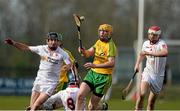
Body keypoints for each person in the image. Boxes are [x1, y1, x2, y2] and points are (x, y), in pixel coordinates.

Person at [4, 32, 72, 110]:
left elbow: (70, 64)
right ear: (47, 41)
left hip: (51, 83)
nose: (53, 42)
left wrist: (67, 66)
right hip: (39, 81)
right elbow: (26, 48)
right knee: (32, 106)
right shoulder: (41, 48)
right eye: (51, 40)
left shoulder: (62, 53)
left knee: (36, 105)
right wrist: (14, 43)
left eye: (56, 40)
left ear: (58, 42)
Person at [75, 24, 117, 110]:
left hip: (103, 78)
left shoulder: (110, 46)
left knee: (91, 107)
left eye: (105, 31)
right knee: (80, 96)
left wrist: (95, 65)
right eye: (100, 31)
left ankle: (102, 107)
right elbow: (88, 53)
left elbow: (112, 63)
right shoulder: (98, 42)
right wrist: (83, 51)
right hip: (92, 74)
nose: (102, 33)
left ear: (109, 34)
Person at [134, 26, 168, 110]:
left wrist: (151, 53)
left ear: (158, 36)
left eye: (154, 35)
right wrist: (137, 65)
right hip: (148, 72)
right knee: (142, 94)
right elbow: (142, 54)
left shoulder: (162, 43)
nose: (152, 36)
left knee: (151, 102)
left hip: (158, 76)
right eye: (150, 34)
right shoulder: (145, 43)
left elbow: (165, 52)